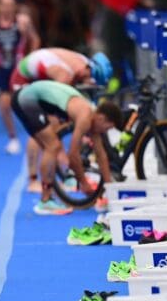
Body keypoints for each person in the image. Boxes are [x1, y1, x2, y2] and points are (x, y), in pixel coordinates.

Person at [11, 80, 122, 215]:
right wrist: (83, 183)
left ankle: (47, 197)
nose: (105, 132)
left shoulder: (94, 119)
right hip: (26, 99)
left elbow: (101, 155)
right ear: (102, 119)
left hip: (32, 99)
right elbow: (73, 155)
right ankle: (45, 201)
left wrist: (110, 191)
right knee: (53, 146)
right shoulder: (85, 117)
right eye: (108, 128)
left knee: (49, 146)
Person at [9, 47, 113, 192]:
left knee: (53, 136)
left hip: (40, 82)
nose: (88, 82)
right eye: (88, 78)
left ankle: (60, 176)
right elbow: (57, 103)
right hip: (23, 81)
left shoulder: (83, 63)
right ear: (89, 69)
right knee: (47, 133)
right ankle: (34, 180)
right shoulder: (64, 73)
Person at [0, 0, 40, 154]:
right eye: (4, 4)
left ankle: (37, 133)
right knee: (4, 105)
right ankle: (13, 138)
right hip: (3, 69)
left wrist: (30, 58)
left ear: (14, 7)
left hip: (20, 69)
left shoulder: (22, 21)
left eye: (10, 4)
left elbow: (35, 39)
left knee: (26, 104)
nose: (7, 8)